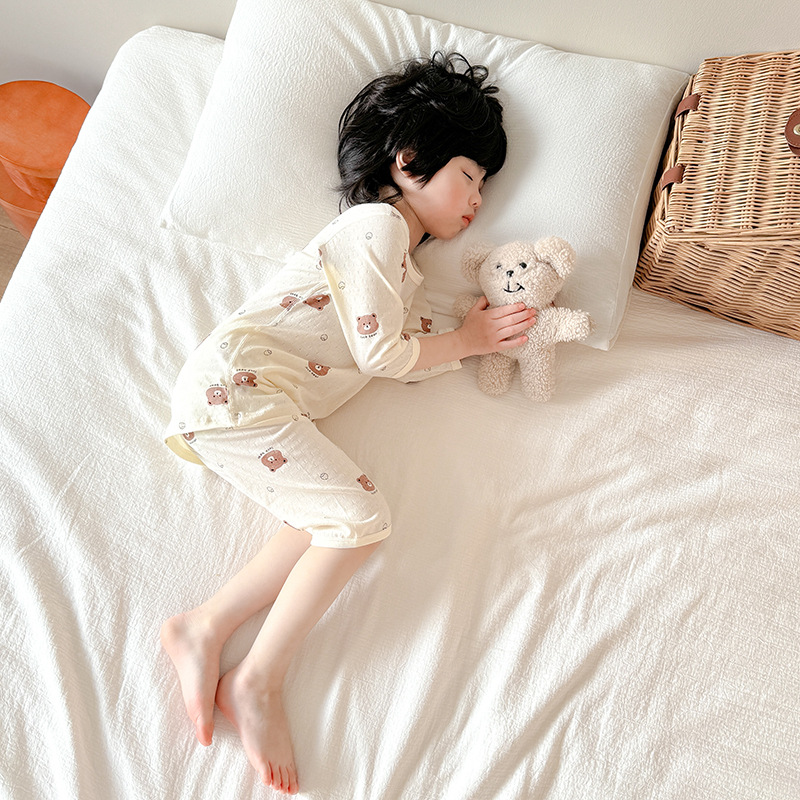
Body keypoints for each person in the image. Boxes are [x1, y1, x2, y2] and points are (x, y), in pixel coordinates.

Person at [160, 52, 536, 795]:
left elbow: (395, 350)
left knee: (325, 520)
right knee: (361, 519)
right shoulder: (375, 227)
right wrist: (464, 342)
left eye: (485, 187)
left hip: (245, 400)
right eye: (470, 176)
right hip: (237, 393)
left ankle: (204, 627)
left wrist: (467, 335)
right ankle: (259, 677)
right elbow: (381, 351)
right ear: (408, 160)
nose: (478, 202)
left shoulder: (397, 266)